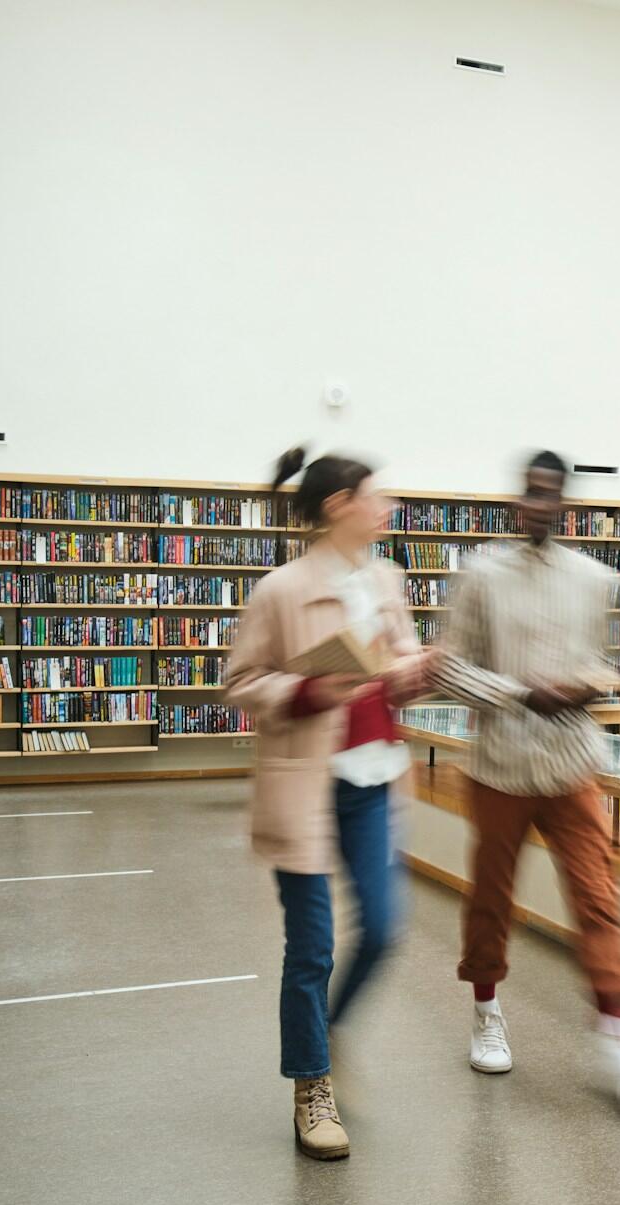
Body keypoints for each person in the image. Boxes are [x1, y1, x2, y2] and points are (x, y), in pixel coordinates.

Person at [431, 451, 620, 1100]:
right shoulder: (481, 577)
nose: (539, 504)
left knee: (598, 896)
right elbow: (448, 668)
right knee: (491, 897)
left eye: (551, 495)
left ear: (565, 504)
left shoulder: (594, 579)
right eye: (530, 493)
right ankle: (486, 1011)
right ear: (518, 500)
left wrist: (584, 687)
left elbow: (605, 664)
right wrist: (519, 693)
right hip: (501, 766)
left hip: (573, 763)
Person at [225, 448, 428, 1160]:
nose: (388, 508)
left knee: (383, 927)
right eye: (377, 497)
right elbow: (242, 680)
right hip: (305, 787)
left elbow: (398, 663)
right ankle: (311, 1086)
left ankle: (331, 1031)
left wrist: (417, 673)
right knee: (310, 948)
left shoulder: (388, 579)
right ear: (340, 504)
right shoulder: (280, 590)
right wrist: (309, 690)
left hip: (372, 780)